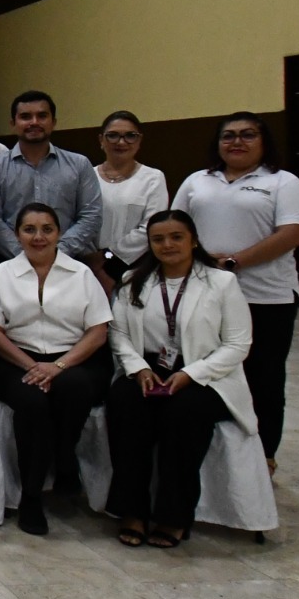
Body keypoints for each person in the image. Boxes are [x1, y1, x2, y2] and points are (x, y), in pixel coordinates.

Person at [106, 210, 256, 548]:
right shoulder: (133, 280)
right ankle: (132, 510)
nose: (167, 245)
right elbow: (118, 334)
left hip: (206, 373)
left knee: (184, 413)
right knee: (125, 404)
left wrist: (191, 374)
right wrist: (138, 368)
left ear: (194, 241)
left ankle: (173, 516)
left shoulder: (221, 283)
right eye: (158, 239)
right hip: (147, 367)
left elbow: (237, 344)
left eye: (176, 237)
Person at [172, 112, 299, 475]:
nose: (237, 142)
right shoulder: (197, 181)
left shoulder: (283, 182)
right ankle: (214, 453)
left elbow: (292, 233)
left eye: (247, 135)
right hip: (204, 294)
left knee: (264, 376)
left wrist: (233, 262)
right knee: (205, 369)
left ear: (264, 142)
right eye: (228, 136)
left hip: (266, 297)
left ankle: (264, 456)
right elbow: (175, 228)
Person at [0, 203, 113, 535]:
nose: (38, 237)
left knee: (73, 387)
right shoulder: (2, 274)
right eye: (29, 229)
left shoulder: (81, 274)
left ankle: (64, 457)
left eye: (47, 229)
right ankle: (31, 495)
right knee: (32, 402)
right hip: (15, 358)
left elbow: (98, 331)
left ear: (59, 233)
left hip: (75, 357)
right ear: (17, 235)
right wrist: (33, 366)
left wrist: (58, 366)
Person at [0, 91, 102, 288]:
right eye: (25, 116)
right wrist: (24, 255)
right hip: (9, 268)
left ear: (54, 122)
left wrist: (57, 253)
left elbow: (91, 215)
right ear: (13, 123)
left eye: (42, 116)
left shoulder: (79, 165)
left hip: (69, 266)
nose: (34, 122)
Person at [93, 111, 168, 294]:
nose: (121, 142)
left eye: (130, 136)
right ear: (101, 140)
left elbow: (151, 227)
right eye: (113, 135)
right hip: (90, 265)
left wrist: (108, 260)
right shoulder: (87, 176)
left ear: (139, 140)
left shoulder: (153, 178)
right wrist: (93, 262)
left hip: (136, 267)